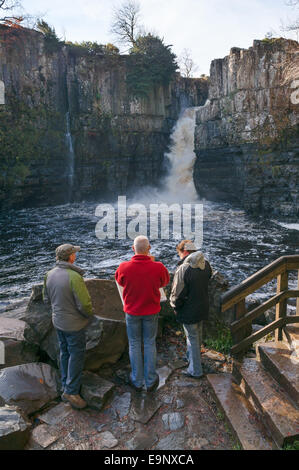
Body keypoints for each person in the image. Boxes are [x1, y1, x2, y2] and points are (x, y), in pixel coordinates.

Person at [115, 235, 170, 392]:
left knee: (134, 344)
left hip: (132, 312)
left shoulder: (123, 267)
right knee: (149, 343)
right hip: (151, 311)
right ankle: (151, 379)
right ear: (149, 248)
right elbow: (164, 282)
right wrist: (152, 263)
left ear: (133, 249)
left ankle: (137, 380)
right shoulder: (158, 267)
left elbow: (119, 281)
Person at [43, 243, 94, 409]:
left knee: (64, 352)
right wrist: (89, 316)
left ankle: (65, 385)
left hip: (58, 322)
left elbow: (46, 299)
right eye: (74, 253)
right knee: (76, 355)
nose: (76, 255)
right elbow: (85, 305)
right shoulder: (74, 277)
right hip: (74, 325)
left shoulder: (49, 274)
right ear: (70, 257)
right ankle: (72, 391)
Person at [170, 240, 212, 378]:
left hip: (189, 309)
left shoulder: (184, 268)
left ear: (186, 252)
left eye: (180, 254)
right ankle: (193, 360)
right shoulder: (206, 265)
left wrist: (174, 305)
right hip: (203, 306)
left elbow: (177, 292)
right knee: (197, 335)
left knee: (192, 338)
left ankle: (195, 370)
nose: (179, 257)